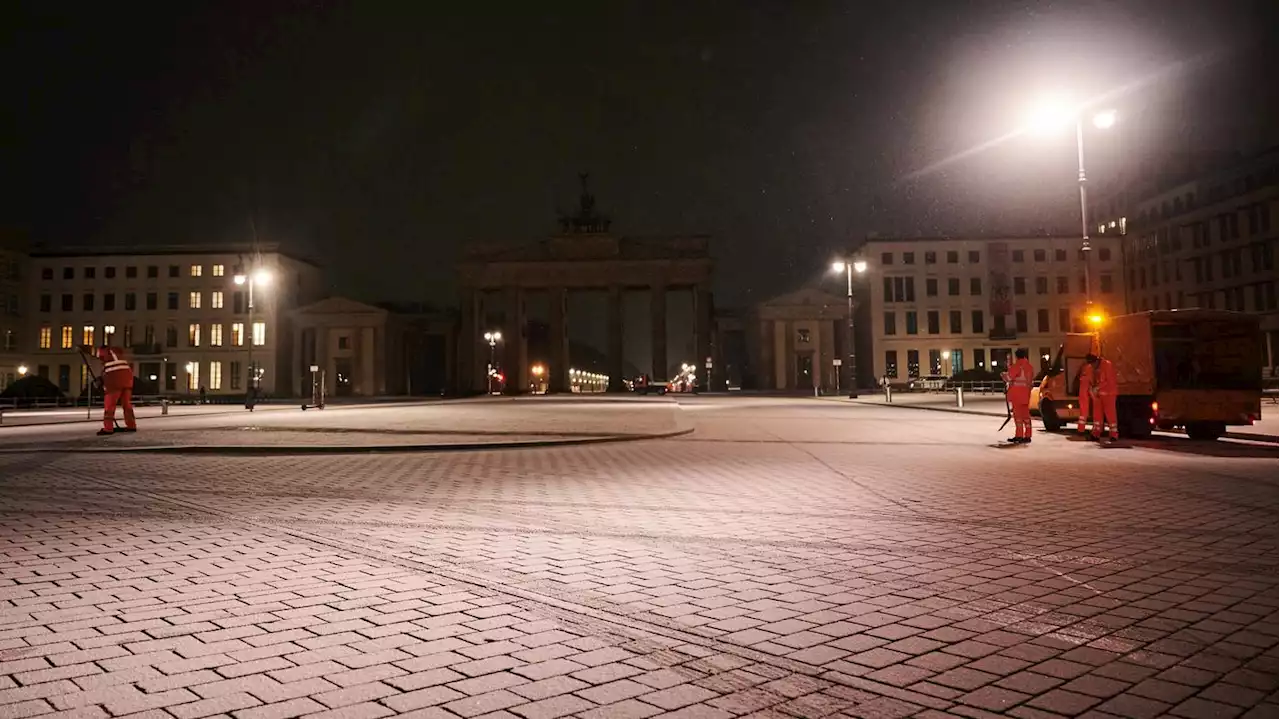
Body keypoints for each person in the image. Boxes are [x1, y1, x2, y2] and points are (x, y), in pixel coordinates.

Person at [85, 344, 137, 436]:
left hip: (115, 382)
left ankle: (108, 428)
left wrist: (81, 347)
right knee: (126, 404)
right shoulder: (118, 352)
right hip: (127, 379)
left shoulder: (105, 352)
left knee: (109, 406)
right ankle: (131, 425)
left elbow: (93, 351)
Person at [1003, 348, 1036, 444]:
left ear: (1017, 356)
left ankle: (1019, 436)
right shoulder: (1029, 367)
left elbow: (1009, 378)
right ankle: (1028, 436)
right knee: (1026, 416)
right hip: (1026, 395)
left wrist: (1003, 375)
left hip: (1017, 395)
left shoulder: (1017, 365)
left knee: (1018, 417)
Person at [1090, 353, 1120, 441]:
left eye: (1092, 363)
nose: (1092, 365)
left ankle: (1113, 435)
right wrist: (1093, 389)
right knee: (1097, 415)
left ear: (1096, 361)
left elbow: (1108, 380)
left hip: (1108, 394)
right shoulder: (1095, 367)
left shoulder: (1107, 365)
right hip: (1099, 394)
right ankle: (1096, 433)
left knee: (1110, 415)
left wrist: (1097, 387)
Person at [1075, 359, 1094, 435]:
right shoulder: (1090, 368)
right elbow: (1092, 381)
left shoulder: (1084, 369)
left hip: (1083, 395)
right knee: (1085, 413)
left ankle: (1081, 429)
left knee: (1083, 414)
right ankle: (1081, 429)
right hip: (1086, 395)